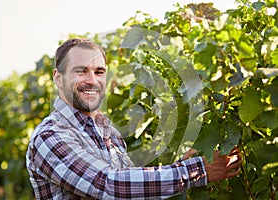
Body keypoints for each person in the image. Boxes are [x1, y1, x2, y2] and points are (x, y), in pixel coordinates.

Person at [26, 38, 242, 199]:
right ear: (58, 78)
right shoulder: (49, 136)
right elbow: (108, 185)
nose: (92, 80)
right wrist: (196, 171)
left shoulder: (107, 130)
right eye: (81, 71)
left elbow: (131, 186)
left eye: (99, 72)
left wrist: (183, 163)